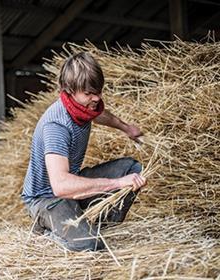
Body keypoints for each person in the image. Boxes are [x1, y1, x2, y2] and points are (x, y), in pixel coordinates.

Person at [21, 52, 147, 251]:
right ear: (70, 90)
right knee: (89, 245)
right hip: (47, 198)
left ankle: (98, 225)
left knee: (132, 168)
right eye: (89, 93)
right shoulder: (57, 125)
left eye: (98, 91)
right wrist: (116, 183)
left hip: (71, 184)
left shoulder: (83, 107)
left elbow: (100, 115)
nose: (96, 98)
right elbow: (60, 186)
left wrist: (126, 128)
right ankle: (47, 228)